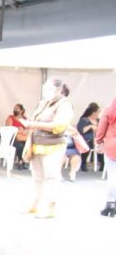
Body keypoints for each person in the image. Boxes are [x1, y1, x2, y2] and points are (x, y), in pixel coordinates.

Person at [19, 78, 74, 218]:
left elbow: (58, 125)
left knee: (51, 177)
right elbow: (39, 121)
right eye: (45, 89)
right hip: (37, 144)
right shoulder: (44, 103)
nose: (46, 92)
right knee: (37, 177)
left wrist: (33, 124)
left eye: (49, 89)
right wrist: (30, 121)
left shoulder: (65, 104)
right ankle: (34, 204)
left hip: (53, 146)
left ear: (59, 90)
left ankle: (49, 207)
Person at [95, 97, 116, 217]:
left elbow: (101, 129)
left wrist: (98, 141)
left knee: (113, 176)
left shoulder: (109, 108)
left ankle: (111, 203)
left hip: (112, 146)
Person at [76, 102, 100, 172]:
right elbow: (80, 131)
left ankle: (102, 163)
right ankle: (83, 163)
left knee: (101, 143)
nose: (99, 113)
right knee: (89, 143)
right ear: (93, 113)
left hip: (97, 139)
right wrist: (90, 126)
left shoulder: (99, 120)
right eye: (98, 112)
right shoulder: (84, 120)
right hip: (87, 140)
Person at [6, 103, 29, 169]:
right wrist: (18, 130)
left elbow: (29, 128)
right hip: (12, 138)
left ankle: (22, 161)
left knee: (27, 144)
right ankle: (21, 161)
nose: (15, 110)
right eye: (14, 109)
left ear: (21, 111)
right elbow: (8, 128)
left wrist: (24, 131)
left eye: (17, 109)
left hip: (23, 137)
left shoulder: (25, 119)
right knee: (20, 145)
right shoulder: (10, 118)